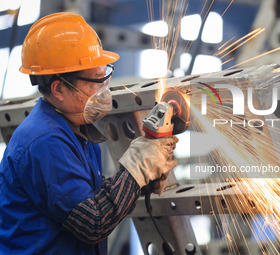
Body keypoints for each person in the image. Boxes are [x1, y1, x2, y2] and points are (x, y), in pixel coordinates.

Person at [0, 12, 178, 254]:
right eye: (96, 80)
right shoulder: (45, 142)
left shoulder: (77, 127)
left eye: (106, 74)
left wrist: (138, 182)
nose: (104, 87)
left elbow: (85, 194)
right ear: (59, 89)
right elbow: (92, 223)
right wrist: (136, 169)